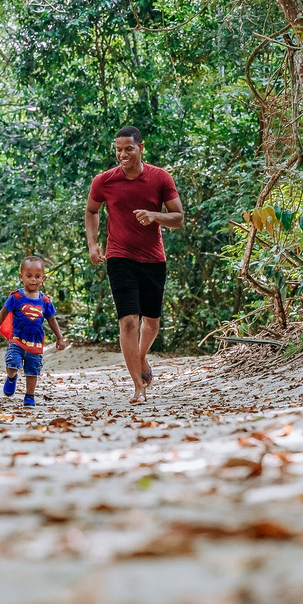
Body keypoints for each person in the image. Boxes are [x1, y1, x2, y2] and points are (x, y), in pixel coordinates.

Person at [85, 126, 184, 403]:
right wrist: (93, 245)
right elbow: (92, 210)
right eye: (118, 149)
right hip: (119, 256)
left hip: (153, 258)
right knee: (129, 321)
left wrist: (154, 216)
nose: (122, 154)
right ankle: (138, 387)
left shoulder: (160, 177)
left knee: (151, 324)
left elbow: (178, 217)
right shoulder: (104, 181)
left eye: (128, 148)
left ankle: (141, 356)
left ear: (141, 147)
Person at [0, 256, 66, 407]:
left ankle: (29, 396)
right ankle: (11, 378)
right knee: (12, 364)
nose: (33, 280)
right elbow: (3, 313)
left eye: (37, 276)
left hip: (35, 344)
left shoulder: (45, 301)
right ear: (21, 276)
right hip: (17, 340)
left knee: (32, 371)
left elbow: (52, 320)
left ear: (43, 278)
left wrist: (60, 337)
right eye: (29, 276)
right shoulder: (16, 297)